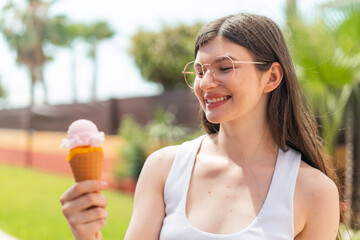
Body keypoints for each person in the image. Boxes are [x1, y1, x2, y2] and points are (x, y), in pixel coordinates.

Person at [60, 13, 341, 240]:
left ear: (271, 77)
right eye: (199, 71)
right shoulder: (163, 168)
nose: (205, 84)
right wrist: (86, 236)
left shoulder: (314, 192)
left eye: (224, 67)